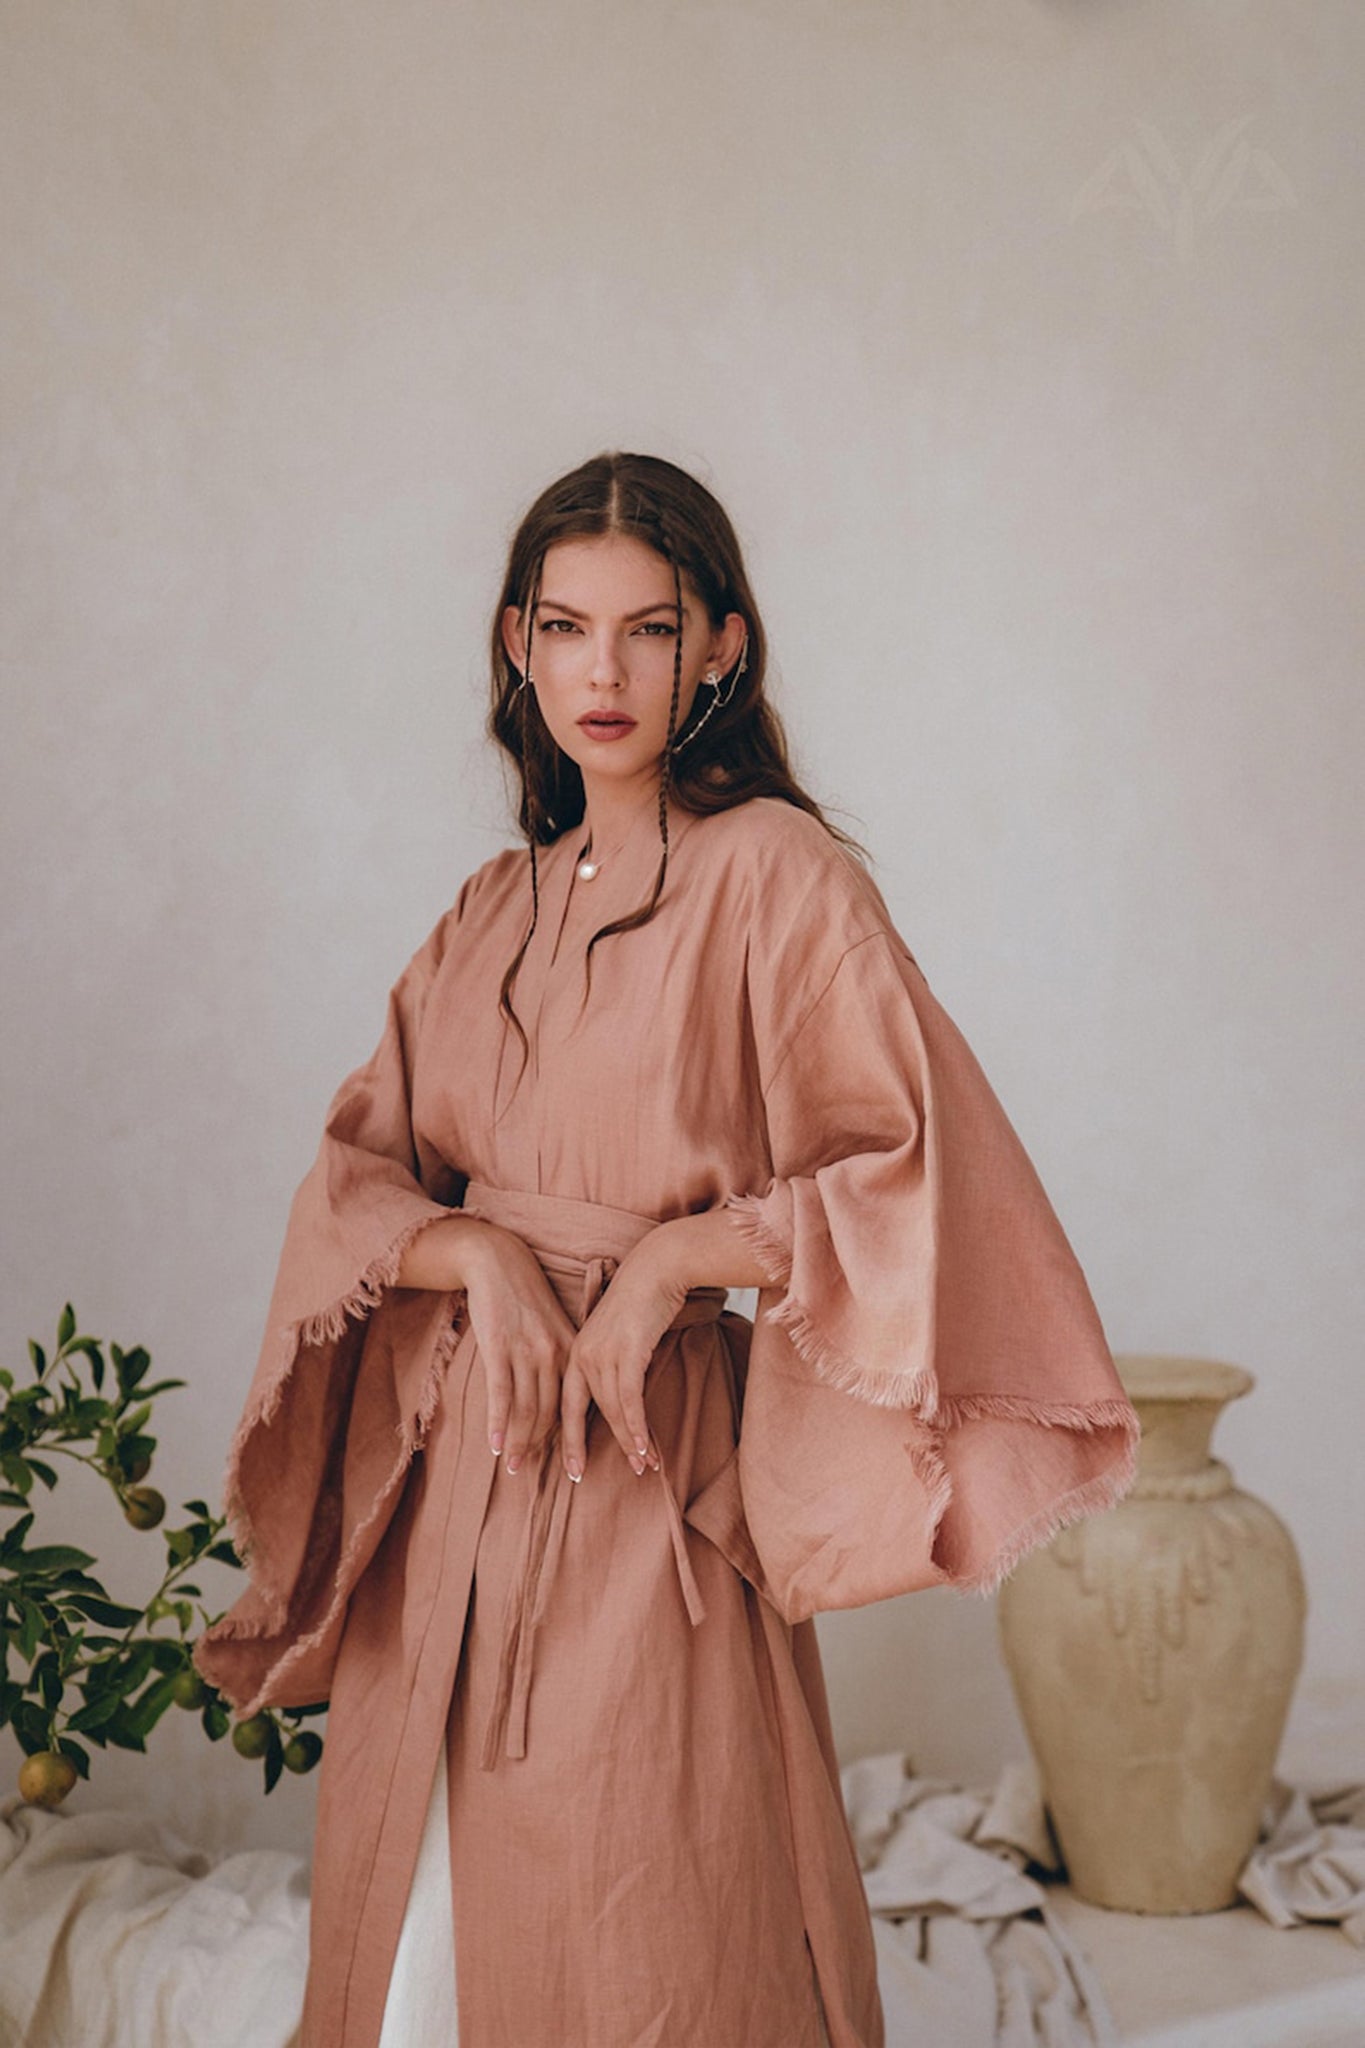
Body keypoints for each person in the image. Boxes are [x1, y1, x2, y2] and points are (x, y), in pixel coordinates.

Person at [195, 451, 1139, 2048]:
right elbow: (352, 1185)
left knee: (642, 1894)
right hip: (458, 1466)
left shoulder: (776, 877)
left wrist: (672, 1258)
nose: (604, 672)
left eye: (647, 629)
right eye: (567, 628)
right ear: (517, 644)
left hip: (645, 1465)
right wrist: (475, 1261)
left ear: (721, 646)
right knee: (416, 1916)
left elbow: (910, 1163)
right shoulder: (486, 911)